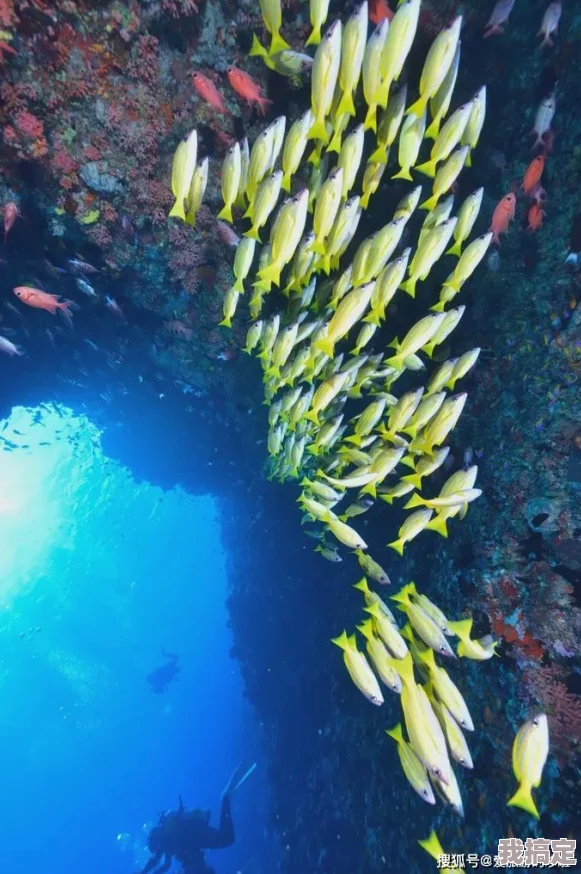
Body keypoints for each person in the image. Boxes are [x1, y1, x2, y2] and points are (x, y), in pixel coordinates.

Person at [137, 793, 234, 874]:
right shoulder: (165, 842)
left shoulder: (164, 841)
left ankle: (225, 798)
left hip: (196, 835)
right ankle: (225, 799)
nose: (156, 852)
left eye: (154, 850)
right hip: (195, 841)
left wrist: (144, 872)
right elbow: (165, 865)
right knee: (226, 839)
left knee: (226, 839)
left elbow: (156, 861)